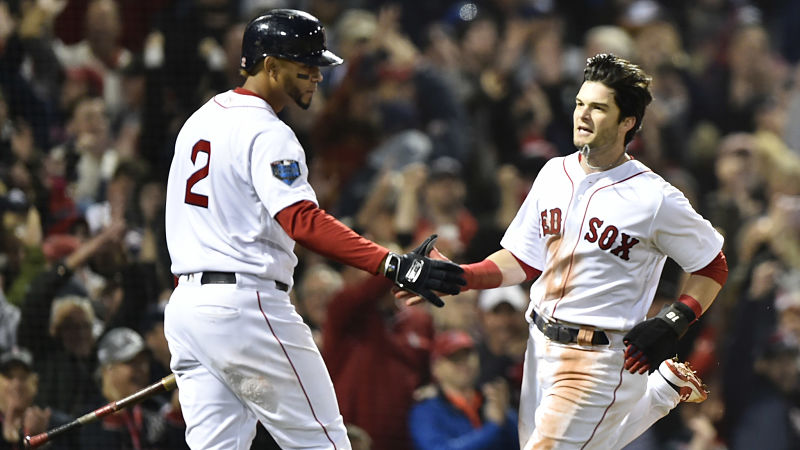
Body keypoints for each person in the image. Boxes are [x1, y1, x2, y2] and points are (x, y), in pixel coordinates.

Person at [162, 9, 464, 450]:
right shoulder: (267, 131)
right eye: (306, 67)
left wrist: (206, 323)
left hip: (189, 307)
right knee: (326, 444)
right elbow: (301, 220)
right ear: (270, 66)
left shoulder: (199, 122)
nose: (317, 77)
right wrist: (390, 262)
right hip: (247, 307)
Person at [410, 53, 730, 448]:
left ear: (627, 121)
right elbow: (525, 258)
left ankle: (659, 394)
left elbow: (712, 264)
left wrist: (675, 319)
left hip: (598, 357)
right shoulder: (552, 172)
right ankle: (661, 393)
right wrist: (465, 276)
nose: (583, 115)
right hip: (538, 345)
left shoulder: (654, 197)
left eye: (598, 108)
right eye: (581, 103)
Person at [408, 330, 519, 449]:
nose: (463, 363)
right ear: (436, 368)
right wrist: (494, 426)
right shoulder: (426, 411)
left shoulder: (491, 400)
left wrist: (506, 417)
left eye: (468, 355)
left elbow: (522, 443)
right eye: (454, 358)